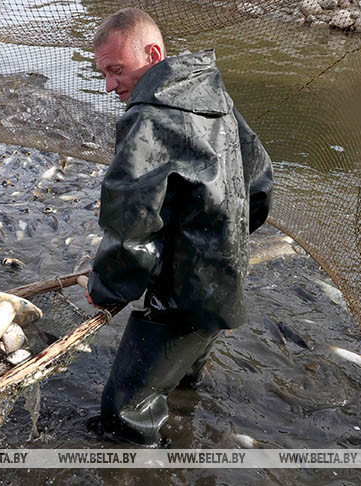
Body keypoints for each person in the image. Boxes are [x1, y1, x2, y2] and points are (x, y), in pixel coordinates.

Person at [84, 8, 274, 446]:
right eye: (105, 75)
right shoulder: (213, 94)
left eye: (116, 70)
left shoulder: (148, 116)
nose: (111, 86)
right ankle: (186, 431)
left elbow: (131, 223)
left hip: (182, 296)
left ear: (152, 53)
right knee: (182, 384)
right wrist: (224, 244)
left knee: (123, 416)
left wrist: (107, 287)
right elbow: (260, 181)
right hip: (223, 286)